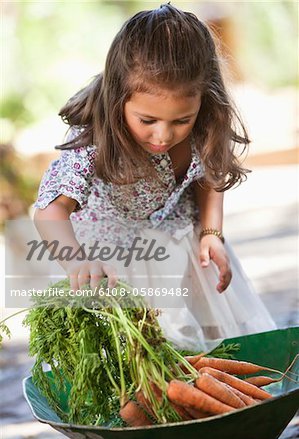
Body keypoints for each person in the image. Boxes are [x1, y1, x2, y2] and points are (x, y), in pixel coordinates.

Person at [33, 3, 276, 350]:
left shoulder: (206, 123)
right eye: (148, 120)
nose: (163, 135)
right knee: (139, 354)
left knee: (209, 346)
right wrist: (76, 261)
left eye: (181, 121)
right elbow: (49, 211)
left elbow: (210, 173)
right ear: (118, 98)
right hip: (114, 258)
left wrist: (211, 233)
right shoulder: (95, 141)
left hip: (181, 241)